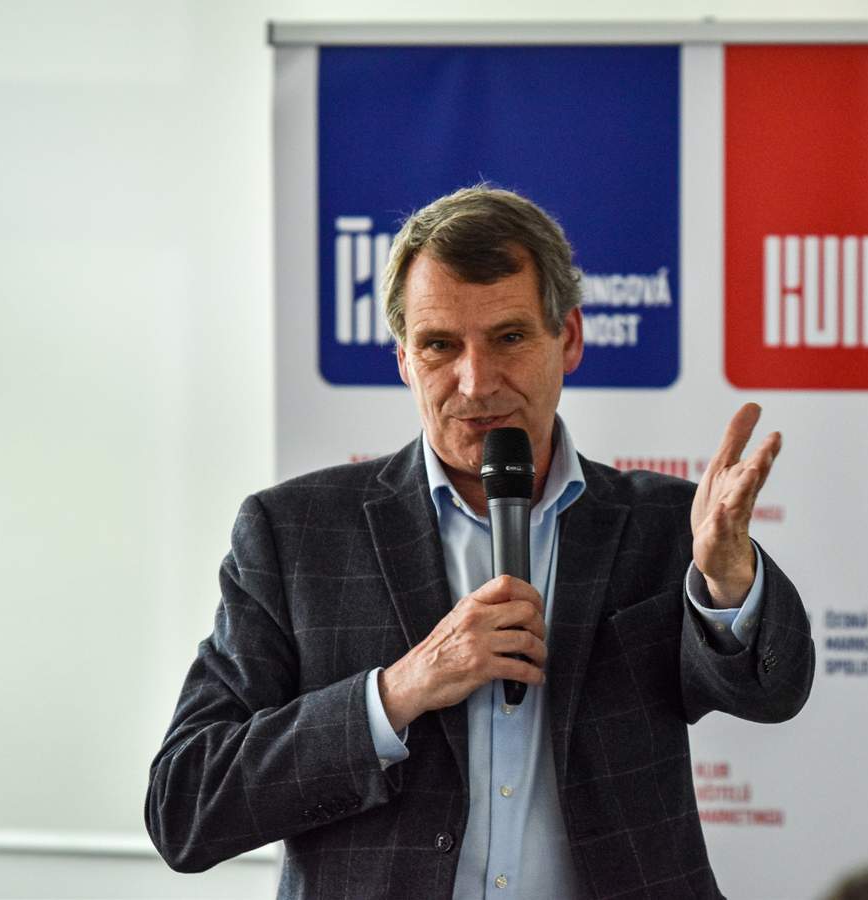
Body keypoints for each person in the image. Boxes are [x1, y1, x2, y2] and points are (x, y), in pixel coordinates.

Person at [145, 186, 815, 898]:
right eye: (440, 345)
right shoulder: (294, 533)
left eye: (509, 338)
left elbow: (774, 691)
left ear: (569, 339)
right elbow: (187, 806)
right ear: (404, 360)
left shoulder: (665, 524)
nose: (476, 382)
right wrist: (399, 691)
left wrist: (729, 580)